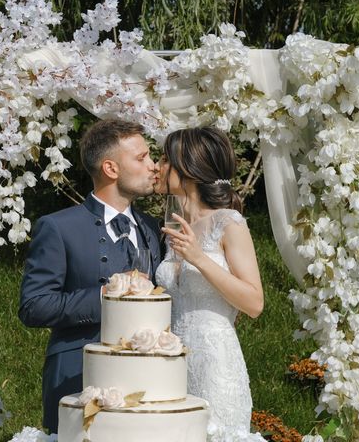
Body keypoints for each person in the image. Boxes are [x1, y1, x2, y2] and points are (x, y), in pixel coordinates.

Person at [19, 120, 162, 434]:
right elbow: (33, 306)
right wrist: (106, 297)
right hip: (78, 378)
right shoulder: (58, 227)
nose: (154, 166)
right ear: (111, 168)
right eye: (142, 158)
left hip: (149, 381)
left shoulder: (152, 228)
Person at [154, 126, 266, 441]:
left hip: (216, 364)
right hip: (172, 365)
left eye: (165, 160)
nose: (157, 168)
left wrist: (198, 259)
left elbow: (254, 303)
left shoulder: (229, 222)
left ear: (188, 168)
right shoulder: (178, 227)